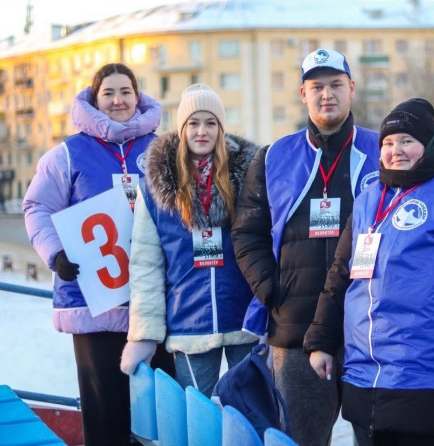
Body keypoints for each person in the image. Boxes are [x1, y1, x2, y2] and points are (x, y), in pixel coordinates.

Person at [304, 98, 434, 446]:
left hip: (429, 379)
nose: (396, 150)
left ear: (427, 146)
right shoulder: (369, 199)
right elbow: (341, 275)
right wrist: (321, 341)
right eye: (387, 143)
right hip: (366, 379)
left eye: (407, 141)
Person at [231, 48, 380, 446]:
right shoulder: (273, 156)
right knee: (302, 438)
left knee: (379, 435)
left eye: (335, 85)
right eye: (316, 86)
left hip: (370, 324)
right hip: (296, 326)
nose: (326, 94)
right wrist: (271, 291)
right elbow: (247, 233)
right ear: (302, 94)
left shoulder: (385, 150)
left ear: (351, 89)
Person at [22, 63, 174, 445]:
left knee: (162, 416)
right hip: (94, 303)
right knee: (105, 414)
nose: (118, 100)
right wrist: (55, 252)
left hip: (154, 305)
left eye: (126, 91)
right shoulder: (68, 154)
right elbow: (37, 206)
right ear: (94, 98)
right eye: (108, 93)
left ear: (138, 97)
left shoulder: (163, 148)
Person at [119, 84, 259, 397]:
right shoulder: (155, 190)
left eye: (210, 123)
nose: (201, 131)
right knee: (197, 419)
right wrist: (143, 334)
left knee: (249, 416)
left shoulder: (250, 178)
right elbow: (145, 265)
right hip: (188, 323)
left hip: (245, 319)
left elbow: (269, 247)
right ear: (182, 128)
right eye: (193, 123)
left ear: (221, 128)